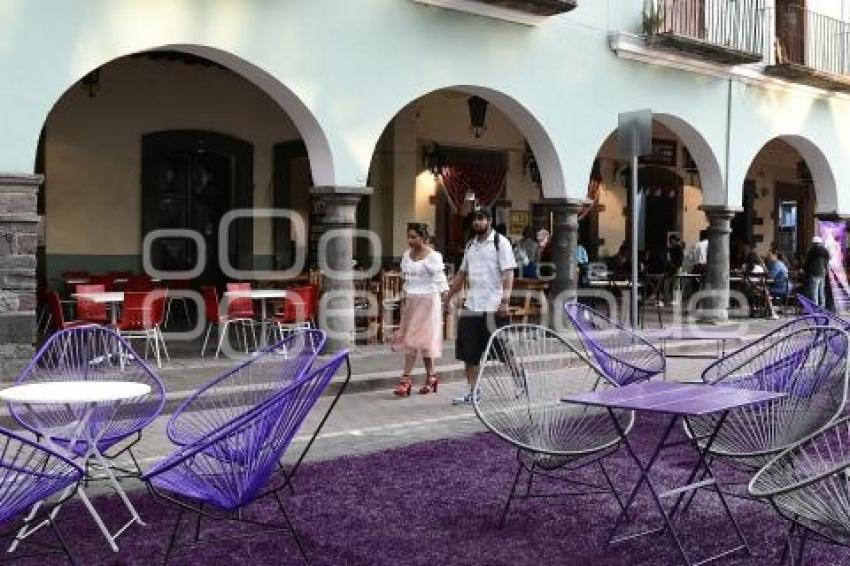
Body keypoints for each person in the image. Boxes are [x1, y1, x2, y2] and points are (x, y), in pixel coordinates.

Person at [444, 206, 516, 406]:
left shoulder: (500, 243)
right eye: (475, 219)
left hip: (494, 305)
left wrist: (505, 301)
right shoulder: (470, 246)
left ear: (489, 221)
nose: (477, 222)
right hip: (472, 305)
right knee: (469, 352)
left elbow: (509, 273)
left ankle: (519, 380)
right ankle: (473, 391)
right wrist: (448, 297)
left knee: (503, 350)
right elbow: (461, 274)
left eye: (481, 218)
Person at [393, 223, 449, 397]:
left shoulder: (433, 256)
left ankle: (405, 379)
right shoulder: (407, 255)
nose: (410, 240)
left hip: (428, 300)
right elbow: (406, 279)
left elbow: (441, 280)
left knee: (414, 340)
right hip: (412, 299)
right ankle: (431, 377)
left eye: (414, 237)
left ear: (423, 238)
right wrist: (402, 296)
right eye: (408, 237)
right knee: (422, 342)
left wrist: (447, 297)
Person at [805, 235, 831, 307]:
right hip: (823, 273)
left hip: (814, 273)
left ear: (813, 243)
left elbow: (808, 262)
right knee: (821, 292)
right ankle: (822, 307)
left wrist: (805, 270)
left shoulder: (812, 251)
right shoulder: (825, 251)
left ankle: (815, 308)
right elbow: (827, 262)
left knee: (814, 292)